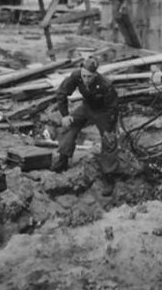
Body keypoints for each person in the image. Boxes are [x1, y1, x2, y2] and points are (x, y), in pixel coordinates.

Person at [51, 56, 119, 196]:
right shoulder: (76, 76)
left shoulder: (105, 85)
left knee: (109, 140)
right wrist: (65, 115)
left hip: (103, 111)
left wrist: (109, 128)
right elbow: (61, 93)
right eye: (84, 76)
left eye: (89, 76)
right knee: (69, 126)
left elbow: (113, 108)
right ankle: (63, 158)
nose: (86, 79)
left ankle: (109, 176)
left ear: (95, 74)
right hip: (86, 107)